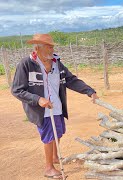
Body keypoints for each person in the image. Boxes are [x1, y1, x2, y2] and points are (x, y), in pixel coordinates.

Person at [11, 34, 99, 179]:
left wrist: (89, 91)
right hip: (40, 108)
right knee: (49, 136)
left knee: (58, 132)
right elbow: (17, 90)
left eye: (52, 46)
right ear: (37, 47)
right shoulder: (26, 64)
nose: (52, 49)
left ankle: (54, 157)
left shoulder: (56, 63)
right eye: (48, 46)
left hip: (56, 105)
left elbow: (70, 80)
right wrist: (38, 99)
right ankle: (49, 168)